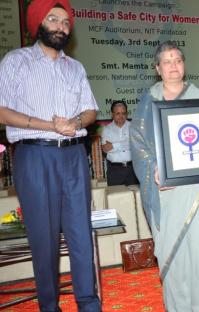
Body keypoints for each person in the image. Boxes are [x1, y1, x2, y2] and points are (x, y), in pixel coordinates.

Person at [0, 1, 102, 310]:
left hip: (73, 158)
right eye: (53, 19)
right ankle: (49, 306)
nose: (60, 26)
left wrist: (75, 123)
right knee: (44, 241)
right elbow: (1, 110)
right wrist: (49, 125)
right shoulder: (16, 61)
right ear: (38, 24)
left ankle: (88, 303)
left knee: (81, 236)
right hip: (34, 157)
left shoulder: (76, 68)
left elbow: (90, 110)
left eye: (65, 22)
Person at [130, 42, 199, 311]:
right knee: (173, 251)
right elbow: (137, 143)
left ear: (184, 64)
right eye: (167, 61)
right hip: (163, 190)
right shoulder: (148, 102)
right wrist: (155, 169)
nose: (173, 66)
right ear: (157, 68)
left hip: (194, 187)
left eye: (178, 60)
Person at [101, 100, 139, 186]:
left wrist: (114, 145)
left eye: (123, 113)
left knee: (134, 197)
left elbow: (135, 145)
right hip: (114, 171)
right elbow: (105, 148)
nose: (121, 116)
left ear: (127, 114)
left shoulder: (133, 126)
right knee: (115, 198)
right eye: (118, 113)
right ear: (112, 114)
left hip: (133, 169)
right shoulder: (107, 129)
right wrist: (127, 143)